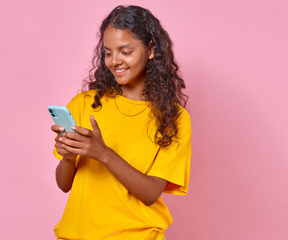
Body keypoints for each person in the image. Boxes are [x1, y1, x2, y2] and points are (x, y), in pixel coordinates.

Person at [51, 5, 191, 240]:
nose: (115, 61)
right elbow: (64, 185)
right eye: (108, 52)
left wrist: (103, 153)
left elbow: (150, 193)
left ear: (150, 50)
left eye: (125, 52)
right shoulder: (85, 103)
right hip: (75, 235)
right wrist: (67, 156)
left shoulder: (173, 118)